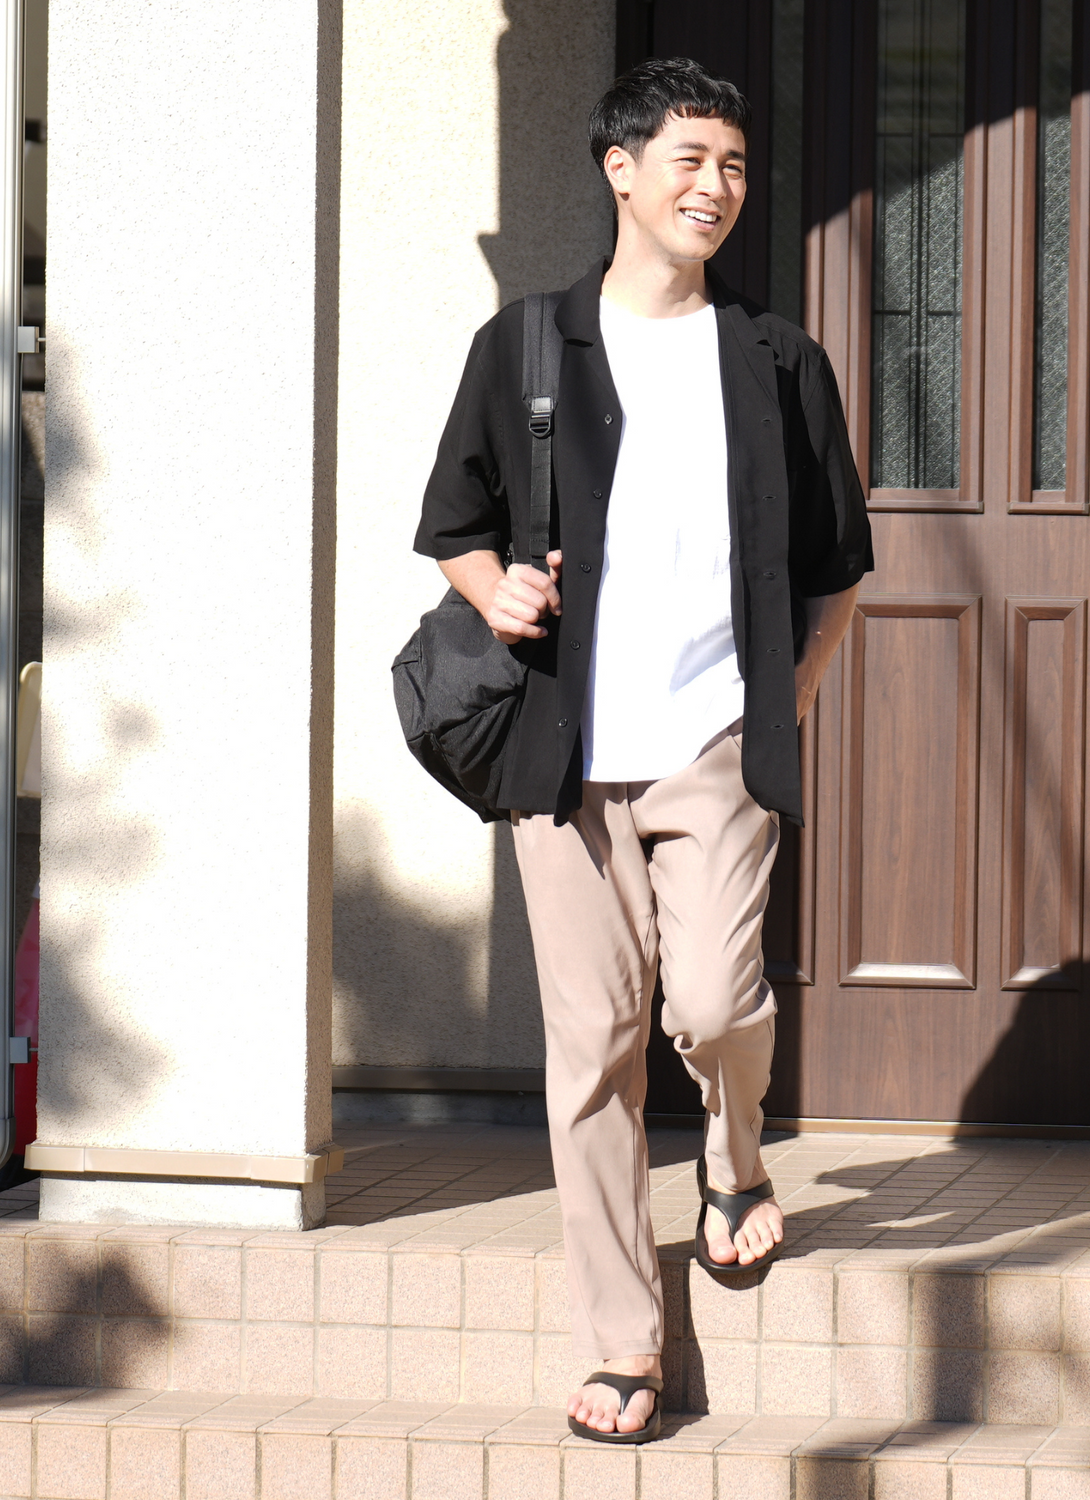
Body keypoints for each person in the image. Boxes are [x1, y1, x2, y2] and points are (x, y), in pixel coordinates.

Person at [414, 56, 871, 1442]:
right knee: (595, 1047)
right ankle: (624, 1344)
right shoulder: (526, 346)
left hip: (715, 736)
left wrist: (790, 696)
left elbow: (839, 567)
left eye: (733, 165)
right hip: (562, 757)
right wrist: (498, 592)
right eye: (690, 161)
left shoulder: (777, 361)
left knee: (717, 1006)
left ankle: (735, 1158)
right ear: (621, 171)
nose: (716, 188)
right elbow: (454, 528)